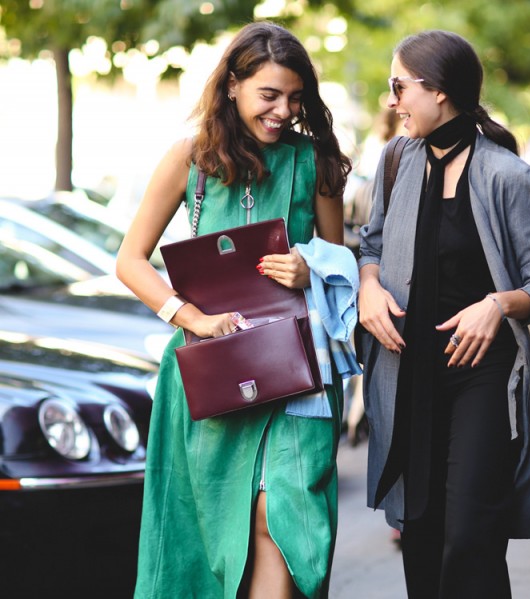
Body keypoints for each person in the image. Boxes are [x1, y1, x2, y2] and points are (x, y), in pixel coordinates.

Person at [116, 22, 352, 598]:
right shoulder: (189, 158)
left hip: (297, 371)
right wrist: (190, 318)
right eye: (269, 95)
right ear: (231, 87)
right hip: (212, 373)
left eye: (295, 98)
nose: (283, 110)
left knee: (283, 522)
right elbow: (130, 260)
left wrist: (310, 267)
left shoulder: (312, 160)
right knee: (218, 532)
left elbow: (340, 257)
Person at [358, 30, 530, 597]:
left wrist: (498, 305)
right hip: (409, 374)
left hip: (484, 377)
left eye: (398, 86)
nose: (392, 101)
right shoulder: (397, 160)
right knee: (420, 534)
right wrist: (368, 288)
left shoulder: (511, 178)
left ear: (439, 92)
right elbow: (370, 245)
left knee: (470, 538)